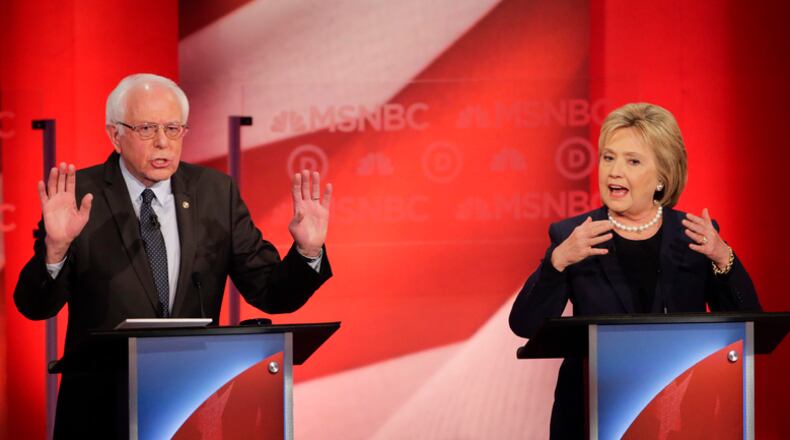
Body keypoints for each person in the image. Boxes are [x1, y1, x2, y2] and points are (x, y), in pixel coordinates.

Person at [13, 73, 333, 437]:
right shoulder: (78, 197)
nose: (162, 142)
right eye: (147, 129)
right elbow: (34, 306)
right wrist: (56, 249)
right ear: (114, 135)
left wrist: (307, 251)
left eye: (173, 128)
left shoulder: (214, 192)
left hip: (191, 409)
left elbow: (271, 293)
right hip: (100, 412)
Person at [508, 102, 761, 439]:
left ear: (662, 178)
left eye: (633, 161)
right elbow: (524, 324)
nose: (614, 172)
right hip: (590, 417)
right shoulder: (575, 236)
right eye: (608, 157)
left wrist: (723, 258)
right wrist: (558, 261)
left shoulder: (693, 236)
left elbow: (747, 323)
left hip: (681, 416)